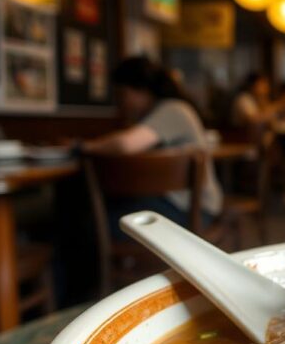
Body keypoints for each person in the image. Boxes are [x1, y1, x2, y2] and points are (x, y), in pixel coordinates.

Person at [84, 56, 223, 236]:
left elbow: (125, 144)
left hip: (191, 211)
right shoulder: (162, 111)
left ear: (142, 90)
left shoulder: (173, 109)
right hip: (180, 204)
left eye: (122, 94)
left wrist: (84, 146)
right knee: (94, 216)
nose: (121, 103)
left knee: (88, 223)